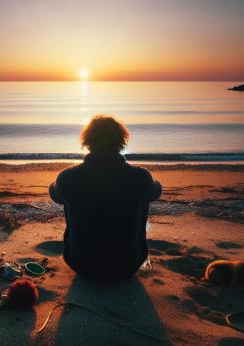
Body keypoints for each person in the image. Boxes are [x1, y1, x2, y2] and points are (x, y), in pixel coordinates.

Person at [49, 115, 162, 281]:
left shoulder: (68, 177)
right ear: (121, 141)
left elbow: (55, 194)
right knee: (142, 196)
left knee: (70, 197)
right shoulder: (140, 177)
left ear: (87, 141)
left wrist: (63, 183)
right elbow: (156, 192)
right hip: (128, 265)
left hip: (81, 264)